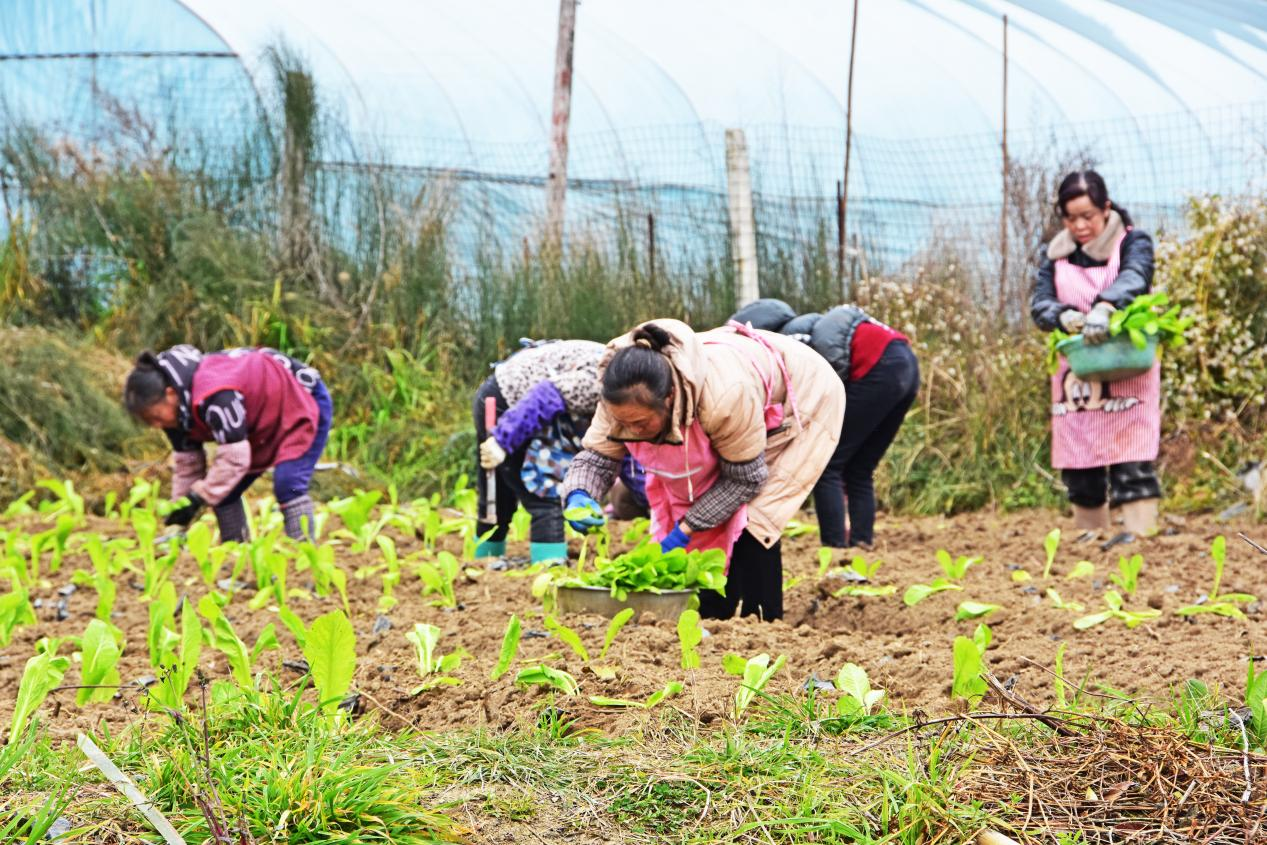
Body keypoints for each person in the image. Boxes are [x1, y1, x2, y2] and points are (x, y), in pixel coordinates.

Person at [560, 319, 845, 621]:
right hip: (740, 395)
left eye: (640, 423)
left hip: (802, 397)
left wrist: (685, 529)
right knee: (706, 506)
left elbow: (745, 480)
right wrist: (579, 494)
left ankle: (763, 620)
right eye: (623, 422)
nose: (632, 430)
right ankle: (713, 611)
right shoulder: (619, 396)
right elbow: (597, 457)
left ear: (669, 398)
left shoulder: (724, 397)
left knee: (756, 517)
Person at [1030, 169, 1161, 542]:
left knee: (1131, 457)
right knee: (1080, 464)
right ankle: (1090, 540)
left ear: (1105, 208)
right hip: (1078, 375)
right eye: (1071, 218)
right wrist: (1061, 315)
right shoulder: (1056, 255)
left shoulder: (1132, 242)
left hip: (1127, 365)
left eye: (1087, 216)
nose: (1080, 226)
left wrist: (1106, 306)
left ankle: (1141, 538)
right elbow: (1040, 303)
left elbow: (1136, 276)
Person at [731, 299, 920, 549]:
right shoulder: (809, 324)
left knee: (827, 463)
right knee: (859, 467)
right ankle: (862, 542)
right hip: (907, 364)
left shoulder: (789, 340)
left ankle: (834, 546)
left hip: (878, 368)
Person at [123, 345, 332, 542]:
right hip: (259, 421)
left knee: (289, 484)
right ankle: (237, 556)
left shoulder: (216, 395)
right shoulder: (177, 414)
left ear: (170, 394)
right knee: (224, 493)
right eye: (148, 422)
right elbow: (188, 466)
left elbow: (234, 458)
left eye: (155, 417)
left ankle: (303, 555)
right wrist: (180, 512)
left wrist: (199, 497)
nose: (156, 425)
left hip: (301, 400)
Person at [474, 339, 608, 563]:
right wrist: (502, 441)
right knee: (541, 490)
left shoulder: (630, 385)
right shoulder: (600, 383)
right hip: (511, 404)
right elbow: (545, 396)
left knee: (500, 496)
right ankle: (547, 569)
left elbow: (625, 454)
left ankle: (485, 562)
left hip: (521, 404)